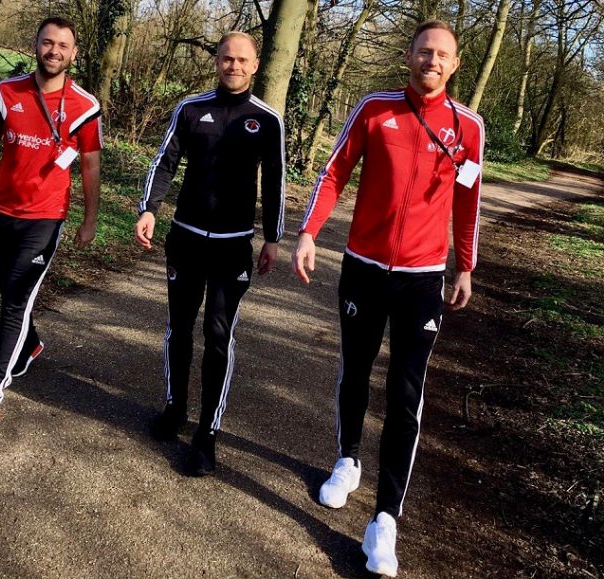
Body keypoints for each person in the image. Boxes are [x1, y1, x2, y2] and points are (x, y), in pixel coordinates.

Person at [292, 20, 484, 577]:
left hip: (422, 279)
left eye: (443, 55)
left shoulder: (467, 126)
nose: (432, 60)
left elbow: (467, 204)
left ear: (455, 64)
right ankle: (348, 459)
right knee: (355, 371)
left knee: (406, 393)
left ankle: (385, 520)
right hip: (364, 268)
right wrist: (309, 231)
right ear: (409, 56)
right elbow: (333, 172)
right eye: (425, 51)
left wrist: (465, 266)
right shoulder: (374, 108)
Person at [135, 31, 285, 476]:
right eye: (226, 59)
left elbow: (275, 183)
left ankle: (208, 433)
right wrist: (148, 209)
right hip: (184, 238)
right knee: (179, 327)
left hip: (232, 246)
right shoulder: (190, 108)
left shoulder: (267, 120)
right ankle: (175, 408)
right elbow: (164, 161)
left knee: (218, 334)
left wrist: (273, 237)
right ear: (216, 61)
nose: (233, 66)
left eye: (242, 60)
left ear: (255, 64)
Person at [0, 16, 102, 433]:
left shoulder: (85, 106)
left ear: (74, 53)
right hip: (1, 213)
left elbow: (89, 164)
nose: (54, 50)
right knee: (9, 293)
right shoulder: (6, 91)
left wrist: (89, 219)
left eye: (63, 45)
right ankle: (30, 344)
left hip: (45, 218)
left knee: (15, 301)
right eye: (47, 42)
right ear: (35, 46)